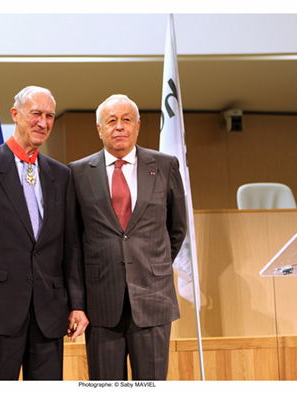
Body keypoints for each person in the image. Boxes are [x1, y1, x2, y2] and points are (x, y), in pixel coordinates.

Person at [0, 85, 89, 380]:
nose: (43, 122)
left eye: (50, 116)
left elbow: (71, 247)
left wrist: (77, 304)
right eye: (36, 113)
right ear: (15, 114)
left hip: (49, 314)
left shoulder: (61, 175)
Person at [68, 94, 187, 380]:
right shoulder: (77, 172)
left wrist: (151, 263)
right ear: (99, 129)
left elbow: (177, 228)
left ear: (138, 126)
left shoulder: (165, 165)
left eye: (126, 120)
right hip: (100, 304)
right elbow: (73, 239)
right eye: (111, 121)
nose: (119, 126)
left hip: (153, 298)